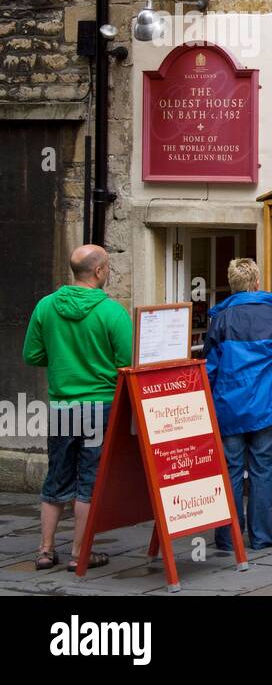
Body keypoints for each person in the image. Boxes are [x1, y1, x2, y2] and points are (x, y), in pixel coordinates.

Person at [23, 244, 132, 572]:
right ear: (99, 272)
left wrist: (61, 362)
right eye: (108, 267)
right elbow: (127, 363)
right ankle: (78, 554)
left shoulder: (45, 307)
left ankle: (44, 550)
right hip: (100, 407)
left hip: (60, 407)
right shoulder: (112, 313)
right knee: (89, 481)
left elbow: (32, 355)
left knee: (55, 477)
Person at [203, 258, 272, 552]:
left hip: (229, 405)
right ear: (257, 283)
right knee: (262, 468)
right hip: (266, 404)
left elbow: (210, 367)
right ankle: (262, 535)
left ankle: (228, 536)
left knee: (232, 469)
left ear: (233, 285)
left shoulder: (221, 319)